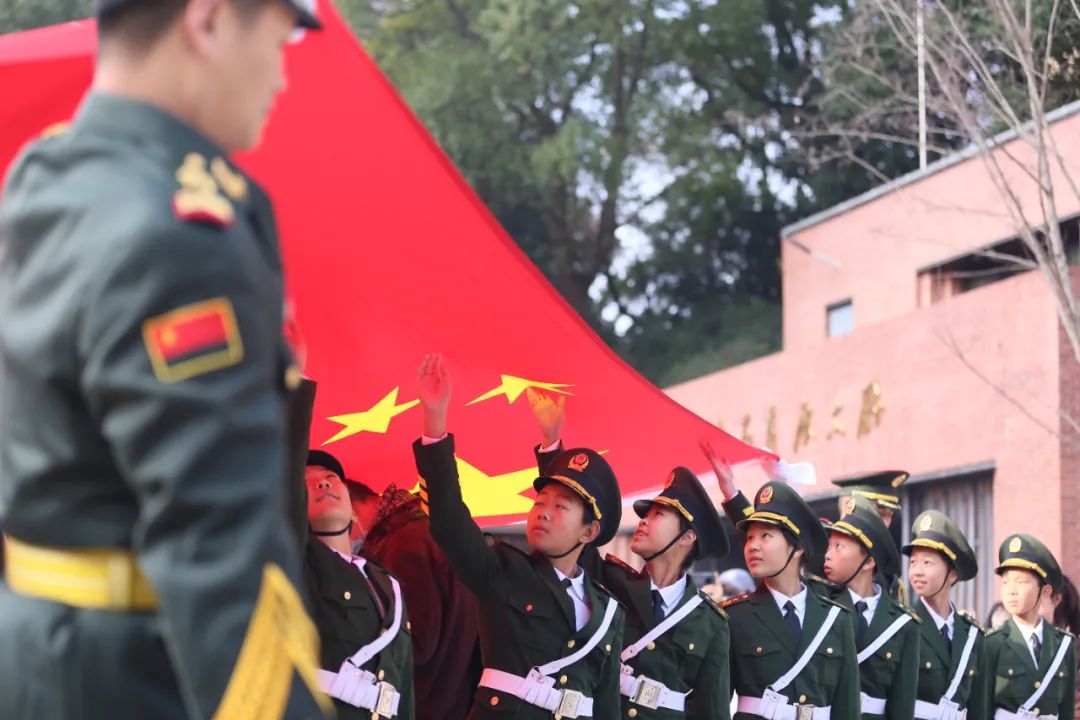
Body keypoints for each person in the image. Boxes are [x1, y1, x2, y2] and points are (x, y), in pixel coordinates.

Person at [0, 1, 328, 718]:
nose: (280, 78)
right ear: (207, 21)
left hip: (34, 653)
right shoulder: (184, 234)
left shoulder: (44, 173)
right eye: (279, 42)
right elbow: (217, 544)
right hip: (133, 675)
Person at [413, 353, 625, 719]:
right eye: (539, 501)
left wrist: (553, 444)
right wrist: (435, 419)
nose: (542, 511)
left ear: (589, 531)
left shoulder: (608, 610)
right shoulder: (502, 572)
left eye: (560, 507)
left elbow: (607, 706)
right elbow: (448, 519)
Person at [527, 388, 731, 718]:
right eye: (645, 514)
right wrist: (551, 444)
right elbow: (569, 529)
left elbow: (713, 711)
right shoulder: (611, 581)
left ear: (687, 537)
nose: (644, 521)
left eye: (658, 515)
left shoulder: (710, 622)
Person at [315, 449, 483, 720]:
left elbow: (414, 641)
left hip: (430, 702)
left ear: (351, 510)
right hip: (454, 698)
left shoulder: (403, 544)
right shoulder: (418, 530)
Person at [721, 480, 861, 719]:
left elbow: (847, 709)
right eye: (750, 537)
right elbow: (714, 703)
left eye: (765, 536)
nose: (752, 546)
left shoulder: (836, 619)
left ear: (797, 548)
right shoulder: (733, 616)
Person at [304, 452, 415, 719]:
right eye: (304, 482)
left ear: (353, 510)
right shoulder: (294, 565)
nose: (323, 483)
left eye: (331, 477)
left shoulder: (387, 583)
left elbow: (403, 689)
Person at [823, 495, 921, 719]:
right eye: (829, 546)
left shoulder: (903, 623)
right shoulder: (820, 606)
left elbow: (902, 706)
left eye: (838, 547)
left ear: (868, 562)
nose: (827, 555)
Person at [902, 511, 988, 720]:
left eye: (927, 563)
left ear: (952, 574)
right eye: (913, 562)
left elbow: (978, 707)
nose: (917, 571)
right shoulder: (902, 625)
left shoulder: (972, 636)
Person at [984, 534, 1075, 720]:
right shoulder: (991, 644)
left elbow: (1066, 711)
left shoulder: (1064, 645)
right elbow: (981, 710)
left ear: (1045, 591)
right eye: (1005, 582)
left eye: (1021, 582)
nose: (1011, 591)